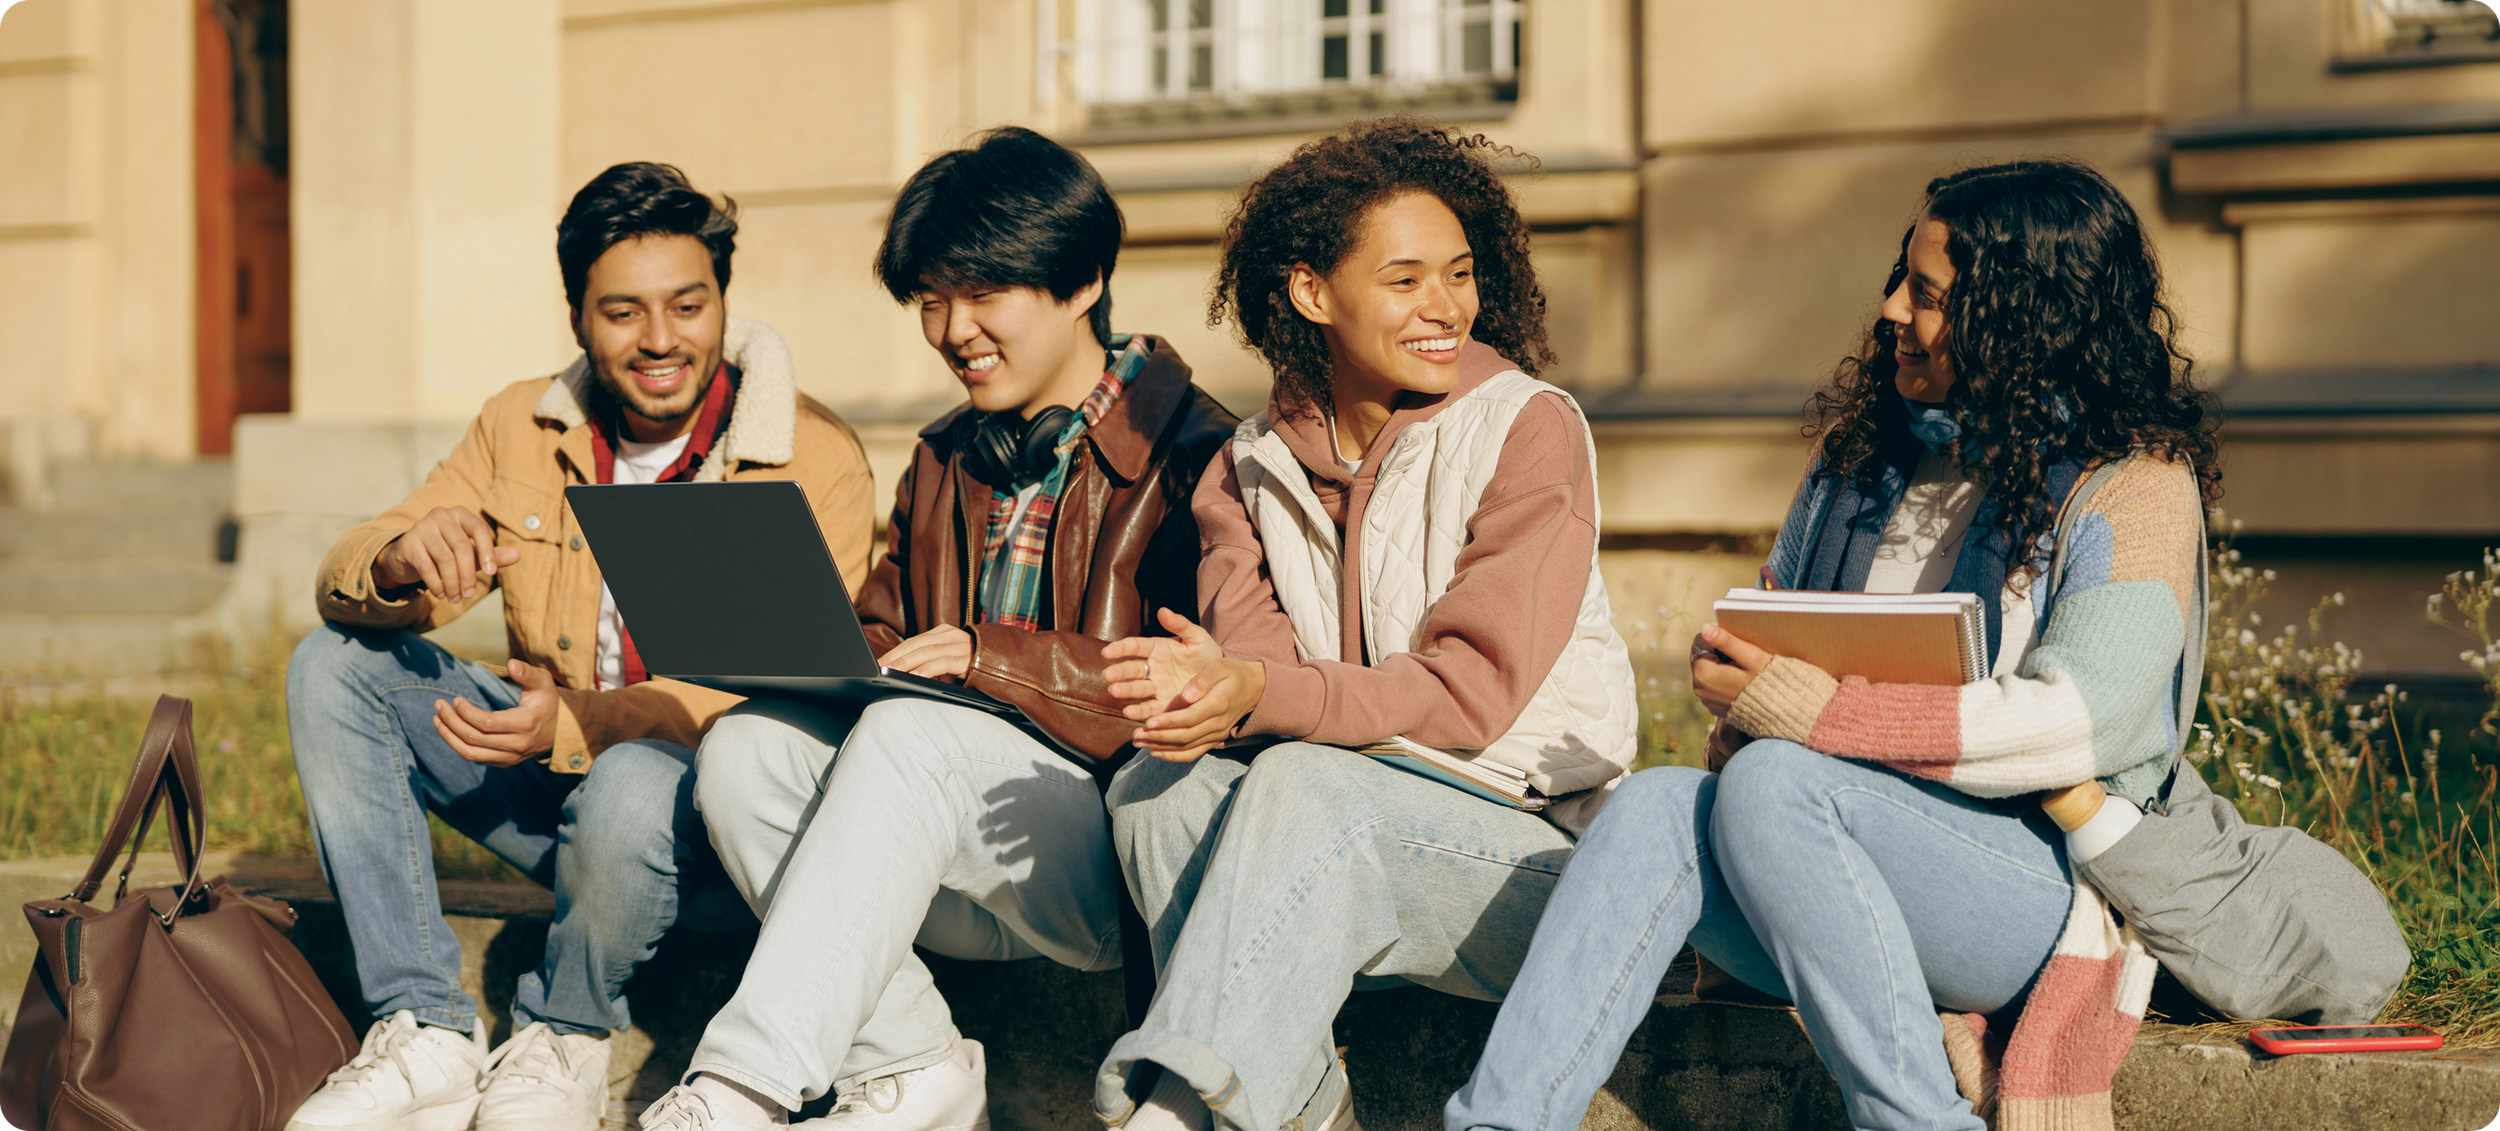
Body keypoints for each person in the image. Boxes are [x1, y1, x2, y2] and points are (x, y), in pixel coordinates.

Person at [1444, 158, 2220, 1131]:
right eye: (1899, 277)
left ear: (2023, 316)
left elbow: (2082, 722)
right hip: (1819, 852)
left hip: (2033, 884)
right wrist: (1742, 685)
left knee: (1780, 779)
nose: (1891, 307)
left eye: (1927, 294)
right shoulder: (1860, 461)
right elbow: (1777, 638)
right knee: (1652, 806)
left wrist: (1816, 715)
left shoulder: (2133, 482)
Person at [634, 126, 1239, 1131]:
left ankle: (738, 1089)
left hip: (1106, 864)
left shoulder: (1200, 452)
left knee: (916, 736)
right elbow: (888, 636)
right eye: (930, 298)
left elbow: (1205, 683)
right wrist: (804, 653)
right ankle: (912, 1063)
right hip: (942, 855)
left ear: (1084, 279)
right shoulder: (947, 457)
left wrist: (990, 659)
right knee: (742, 753)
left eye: (982, 292)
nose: (953, 328)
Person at [284, 162, 879, 1131]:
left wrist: (587, 723)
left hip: (712, 834)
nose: (659, 341)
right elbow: (345, 565)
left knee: (634, 778)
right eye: (622, 313)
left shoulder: (811, 458)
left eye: (688, 306)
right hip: (551, 790)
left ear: (723, 301)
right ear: (576, 318)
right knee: (333, 666)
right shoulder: (521, 424)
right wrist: (399, 561)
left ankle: (566, 1030)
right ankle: (425, 1022)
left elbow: (799, 699)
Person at [1085, 118, 1638, 1131]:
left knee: (1304, 779)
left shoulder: (1528, 428)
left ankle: (1168, 1111)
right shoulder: (1244, 464)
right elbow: (1261, 671)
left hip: (1535, 858)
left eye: (1461, 275)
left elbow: (1470, 696)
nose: (1446, 309)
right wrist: (1215, 692)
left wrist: (1263, 699)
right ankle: (1289, 1108)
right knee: (1154, 793)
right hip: (1326, 845)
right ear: (1310, 291)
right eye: (1405, 280)